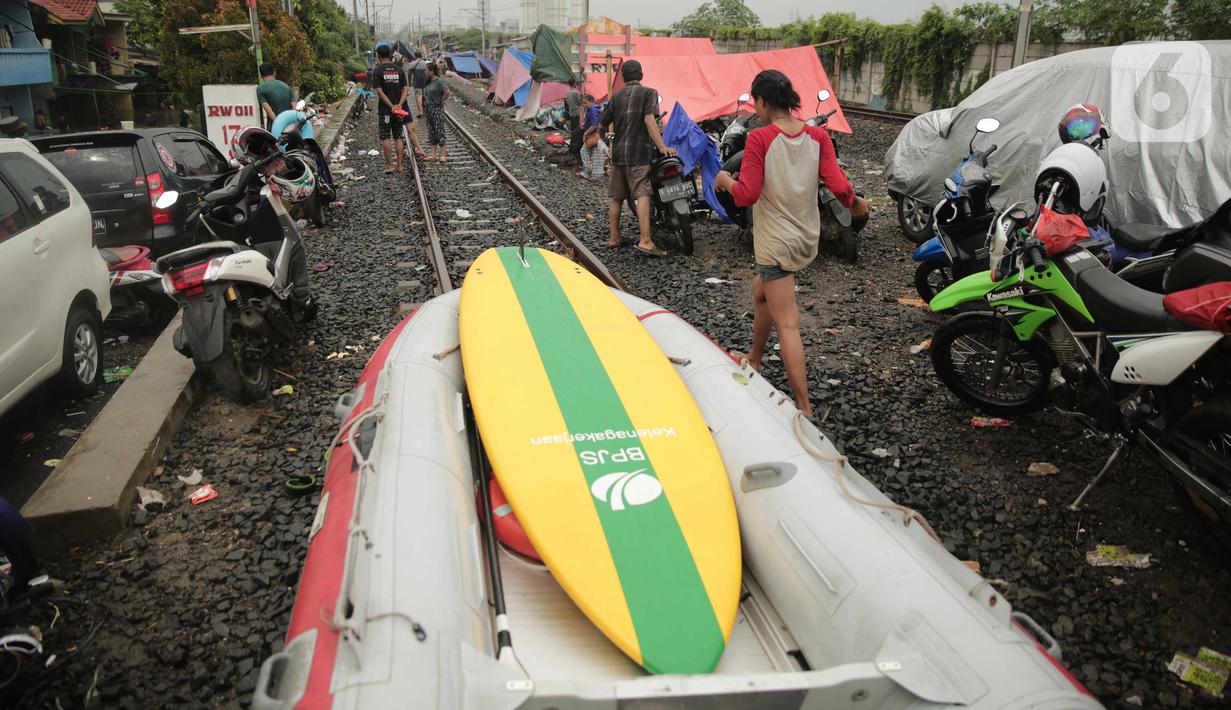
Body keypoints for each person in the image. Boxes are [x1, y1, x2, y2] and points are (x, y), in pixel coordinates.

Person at [715, 70, 869, 417]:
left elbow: (746, 195)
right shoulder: (817, 136)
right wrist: (856, 204)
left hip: (775, 243)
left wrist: (724, 179)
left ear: (764, 102)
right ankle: (754, 358)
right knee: (760, 291)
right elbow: (839, 185)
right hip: (805, 237)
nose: (755, 108)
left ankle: (804, 407)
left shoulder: (760, 139)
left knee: (788, 324)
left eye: (756, 101)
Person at [599, 60, 675, 257]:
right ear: (641, 74)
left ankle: (614, 237)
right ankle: (646, 240)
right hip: (639, 154)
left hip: (618, 156)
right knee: (643, 194)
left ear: (623, 77)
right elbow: (649, 119)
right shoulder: (649, 93)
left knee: (617, 197)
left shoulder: (616, 97)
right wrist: (662, 146)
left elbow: (602, 122)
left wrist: (602, 139)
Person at [373, 44, 422, 173]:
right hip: (399, 110)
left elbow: (379, 91)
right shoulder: (399, 70)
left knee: (385, 137)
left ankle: (389, 166)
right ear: (390, 54)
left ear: (378, 56)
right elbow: (406, 89)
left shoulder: (378, 71)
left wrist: (390, 106)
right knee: (398, 137)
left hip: (385, 110)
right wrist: (399, 105)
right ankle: (400, 166)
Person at [421, 63, 450, 162]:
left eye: (426, 70)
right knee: (431, 131)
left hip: (437, 109)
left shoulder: (439, 81)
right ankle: (433, 155)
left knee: (439, 130)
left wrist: (442, 100)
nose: (425, 72)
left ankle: (443, 155)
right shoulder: (428, 82)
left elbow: (447, 92)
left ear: (432, 71)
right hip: (428, 109)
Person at [578, 95, 608, 181]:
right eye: (582, 103)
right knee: (593, 153)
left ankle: (593, 175)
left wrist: (585, 133)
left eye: (585, 103)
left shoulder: (593, 110)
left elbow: (594, 125)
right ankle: (590, 173)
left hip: (594, 135)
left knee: (593, 153)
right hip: (593, 135)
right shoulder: (589, 109)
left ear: (591, 101)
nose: (583, 104)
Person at [257, 63, 293, 127]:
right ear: (274, 72)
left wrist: (278, 123)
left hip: (274, 125)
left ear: (261, 75)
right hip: (290, 123)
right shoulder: (286, 86)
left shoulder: (260, 89)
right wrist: (292, 120)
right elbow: (293, 104)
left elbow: (267, 109)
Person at [566, 79, 583, 160]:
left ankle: (572, 147)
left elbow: (567, 103)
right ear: (574, 83)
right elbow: (581, 103)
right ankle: (576, 149)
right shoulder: (576, 92)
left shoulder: (568, 92)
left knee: (573, 131)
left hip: (571, 113)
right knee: (578, 131)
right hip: (577, 113)